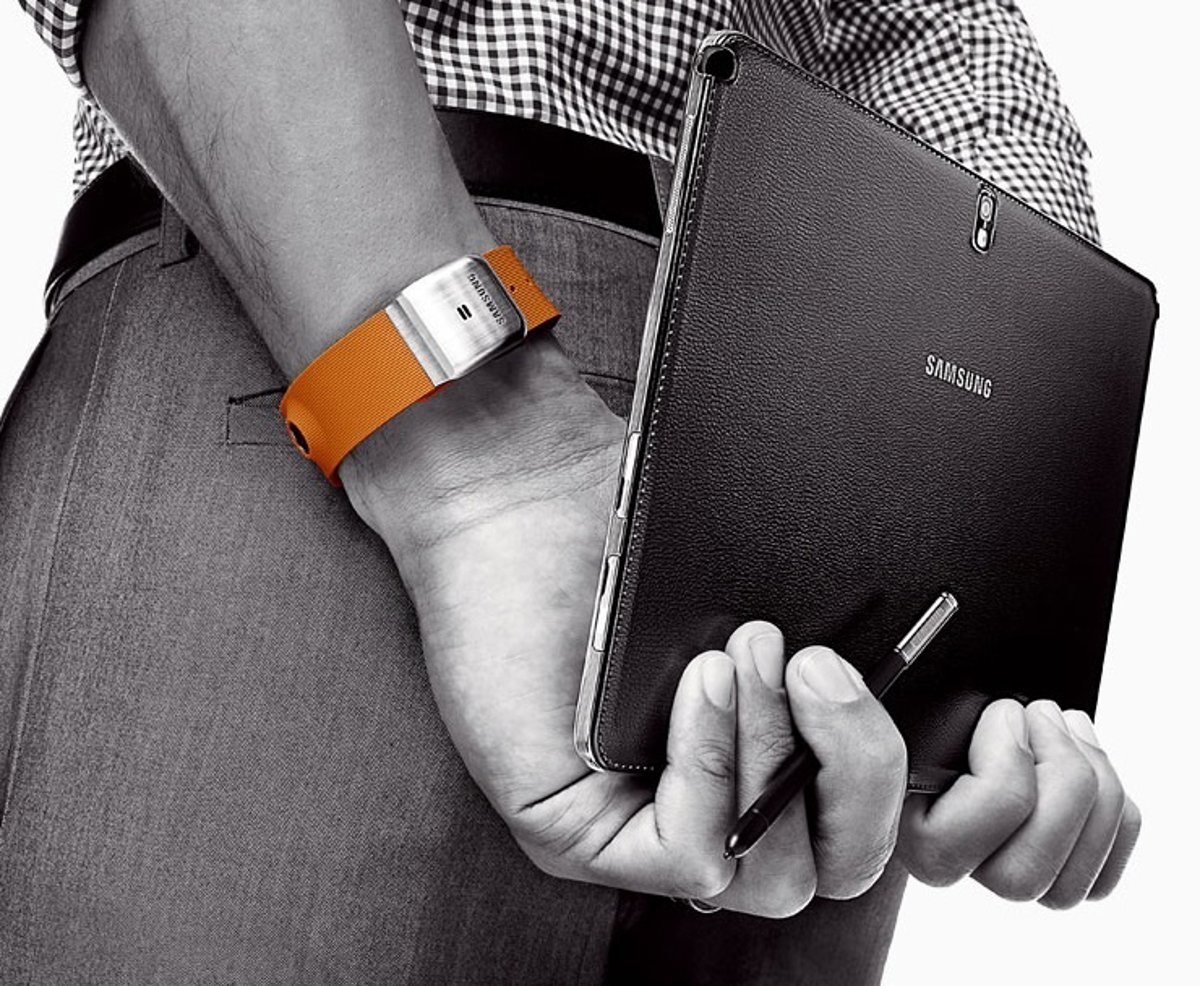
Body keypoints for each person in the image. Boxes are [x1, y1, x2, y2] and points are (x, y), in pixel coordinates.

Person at [2, 1, 1138, 983]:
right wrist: (471, 442)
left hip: (808, 419)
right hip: (356, 288)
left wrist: (981, 503)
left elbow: (928, 29)